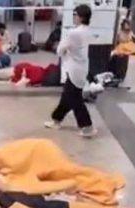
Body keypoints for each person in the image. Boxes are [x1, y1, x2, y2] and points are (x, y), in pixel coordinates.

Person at [44, 4, 95, 138]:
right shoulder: (87, 31)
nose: (73, 17)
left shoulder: (74, 33)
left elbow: (60, 50)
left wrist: (64, 48)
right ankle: (57, 119)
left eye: (75, 14)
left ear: (81, 17)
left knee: (75, 99)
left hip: (74, 69)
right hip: (82, 68)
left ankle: (87, 126)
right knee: (67, 96)